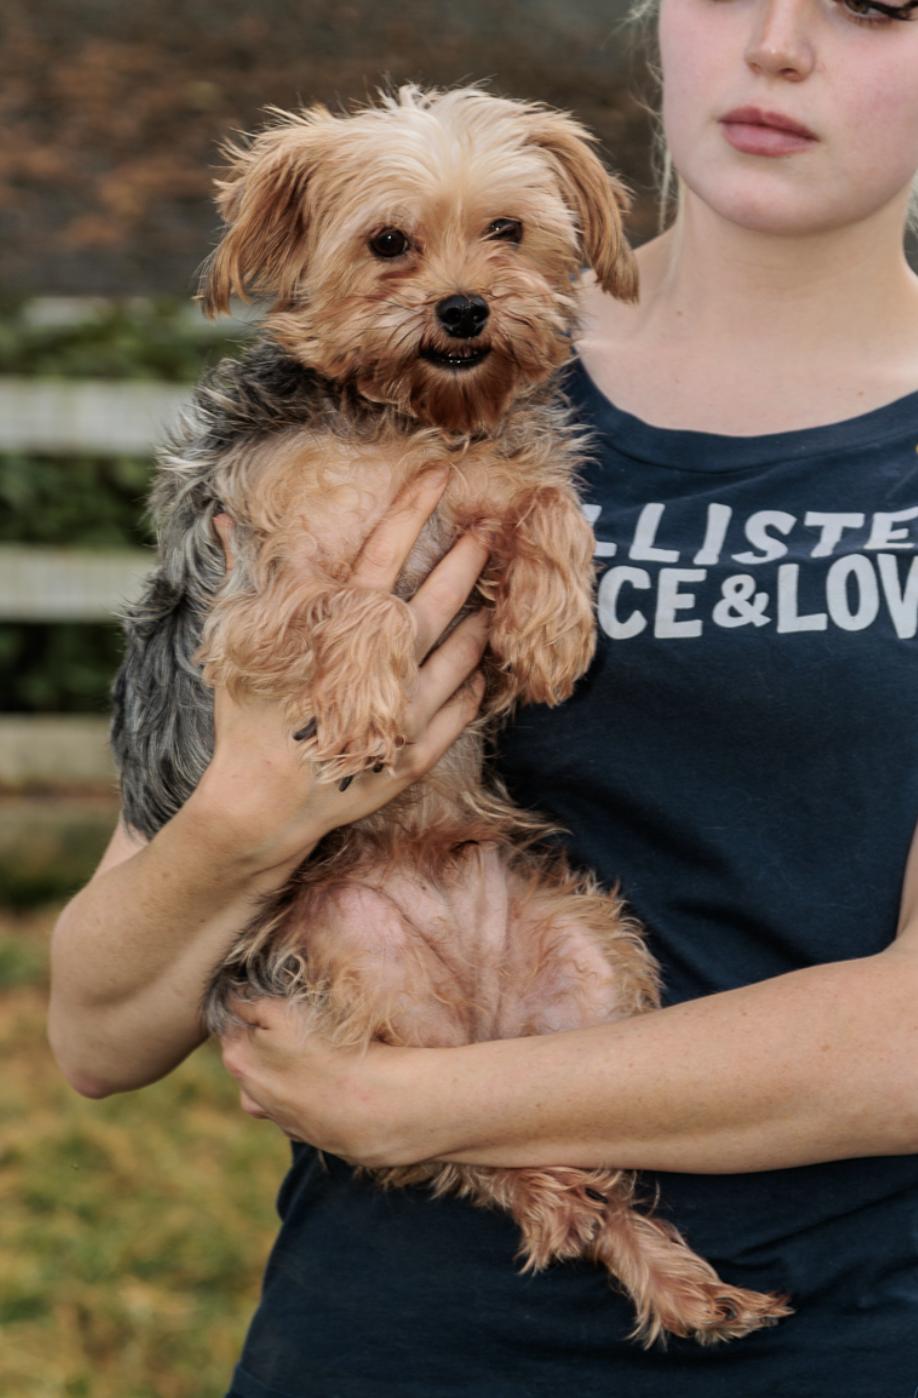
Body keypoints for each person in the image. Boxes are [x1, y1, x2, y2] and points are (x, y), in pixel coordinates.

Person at [48, 0, 918, 1392]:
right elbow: (94, 1026)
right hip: (386, 1338)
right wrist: (256, 804)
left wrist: (412, 1105)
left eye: (873, 3)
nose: (775, 43)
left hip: (848, 1341)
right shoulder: (385, 409)